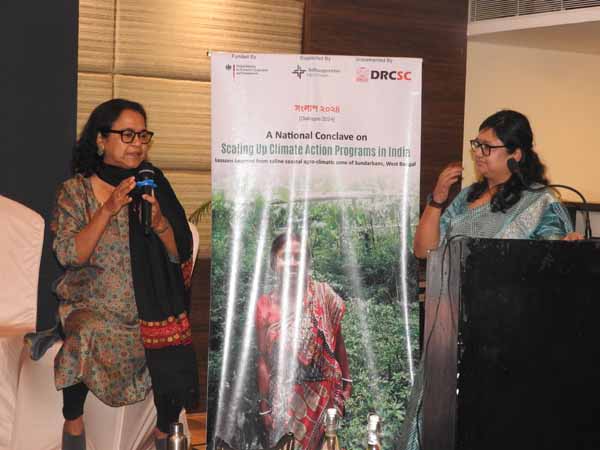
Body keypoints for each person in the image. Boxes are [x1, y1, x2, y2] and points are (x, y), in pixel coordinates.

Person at [402, 109, 580, 449]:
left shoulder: (540, 203)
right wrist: (437, 199)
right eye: (477, 145)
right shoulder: (467, 198)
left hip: (505, 344)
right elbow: (424, 250)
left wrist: (567, 248)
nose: (478, 153)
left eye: (488, 147)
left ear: (516, 155)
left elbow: (552, 267)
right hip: (449, 330)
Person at [52, 98, 198, 450]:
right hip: (94, 307)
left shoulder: (153, 185)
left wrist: (160, 224)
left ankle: (165, 431)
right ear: (101, 139)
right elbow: (70, 254)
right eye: (128, 134)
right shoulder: (75, 192)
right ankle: (74, 422)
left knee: (170, 339)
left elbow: (179, 253)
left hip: (149, 309)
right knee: (86, 331)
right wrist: (108, 209)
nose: (137, 144)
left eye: (143, 135)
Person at [255, 232, 352, 450]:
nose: (292, 262)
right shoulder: (264, 305)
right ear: (274, 263)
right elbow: (263, 360)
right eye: (284, 256)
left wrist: (347, 381)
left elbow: (338, 341)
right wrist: (264, 405)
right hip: (286, 399)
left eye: (298, 257)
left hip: (325, 395)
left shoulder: (323, 294)